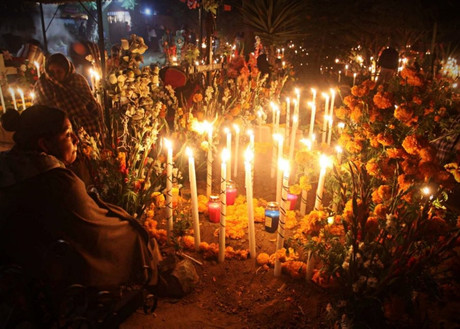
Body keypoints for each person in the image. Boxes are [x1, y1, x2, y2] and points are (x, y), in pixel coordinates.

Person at [0, 106, 160, 289]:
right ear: (44, 144)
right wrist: (132, 227)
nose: (76, 139)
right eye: (68, 134)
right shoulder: (58, 183)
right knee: (132, 234)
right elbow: (97, 231)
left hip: (16, 260)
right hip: (50, 267)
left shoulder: (7, 165)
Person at [33, 53, 103, 137]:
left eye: (59, 71)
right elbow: (40, 112)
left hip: (87, 124)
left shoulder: (78, 80)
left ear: (66, 70)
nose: (55, 75)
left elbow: (90, 103)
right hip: (60, 131)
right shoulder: (43, 86)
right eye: (52, 72)